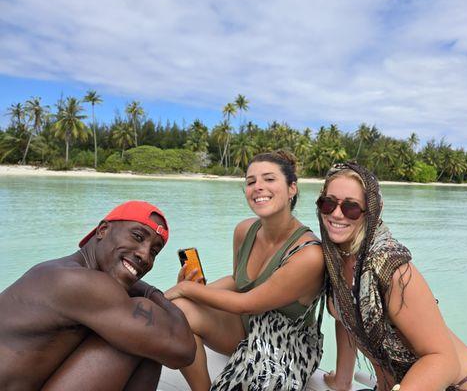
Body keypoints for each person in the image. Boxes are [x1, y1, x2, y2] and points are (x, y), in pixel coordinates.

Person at [317, 162, 467, 391]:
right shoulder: (336, 262)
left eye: (351, 208)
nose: (336, 213)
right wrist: (342, 381)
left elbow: (443, 358)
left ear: (371, 212)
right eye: (328, 203)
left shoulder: (390, 268)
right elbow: (346, 319)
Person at [164, 150, 325, 390]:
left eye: (269, 179)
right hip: (245, 326)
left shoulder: (308, 254)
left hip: (284, 342)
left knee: (182, 299)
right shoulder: (245, 230)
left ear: (292, 189)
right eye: (251, 181)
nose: (258, 187)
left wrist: (185, 289)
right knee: (178, 311)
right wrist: (191, 291)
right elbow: (237, 281)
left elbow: (247, 302)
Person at [0, 200, 196, 390]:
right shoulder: (79, 282)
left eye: (154, 251)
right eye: (137, 236)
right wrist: (153, 292)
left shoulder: (60, 270)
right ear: (102, 230)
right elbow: (183, 351)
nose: (145, 256)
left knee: (146, 340)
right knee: (145, 335)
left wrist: (144, 289)